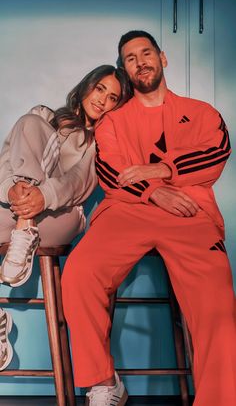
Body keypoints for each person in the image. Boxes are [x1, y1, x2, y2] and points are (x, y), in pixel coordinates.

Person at [61, 31, 236, 406]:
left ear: (163, 58)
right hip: (127, 210)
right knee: (79, 272)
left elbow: (217, 151)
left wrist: (161, 170)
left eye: (146, 53)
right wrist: (152, 191)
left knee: (217, 302)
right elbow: (110, 171)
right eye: (129, 58)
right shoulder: (113, 121)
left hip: (190, 213)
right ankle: (103, 383)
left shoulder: (203, 112)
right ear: (125, 70)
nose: (140, 61)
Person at [0, 64, 131, 372]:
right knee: (31, 119)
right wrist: (15, 191)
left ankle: (24, 227)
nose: (103, 100)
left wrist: (42, 198)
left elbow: (79, 182)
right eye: (100, 89)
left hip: (63, 215)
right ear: (87, 86)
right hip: (20, 205)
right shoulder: (46, 119)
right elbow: (5, 164)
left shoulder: (101, 139)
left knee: (34, 204)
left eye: (113, 98)